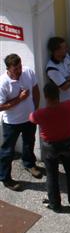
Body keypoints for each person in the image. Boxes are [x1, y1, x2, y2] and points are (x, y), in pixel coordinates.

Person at [29, 82, 70, 212]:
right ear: (58, 94)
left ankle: (55, 204)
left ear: (46, 96)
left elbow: (31, 118)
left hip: (50, 147)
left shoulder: (40, 114)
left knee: (52, 175)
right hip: (68, 143)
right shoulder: (69, 105)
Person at [0, 53, 42, 191]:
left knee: (29, 143)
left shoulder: (28, 72)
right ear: (8, 69)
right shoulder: (3, 83)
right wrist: (20, 99)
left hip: (29, 118)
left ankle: (29, 164)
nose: (19, 71)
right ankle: (5, 178)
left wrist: (35, 108)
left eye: (19, 67)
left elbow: (35, 89)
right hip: (11, 123)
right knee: (7, 151)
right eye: (15, 69)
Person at [45, 37, 70, 105]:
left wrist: (67, 79)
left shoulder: (68, 57)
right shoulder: (51, 68)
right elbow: (65, 87)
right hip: (62, 104)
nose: (67, 49)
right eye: (64, 48)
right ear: (56, 50)